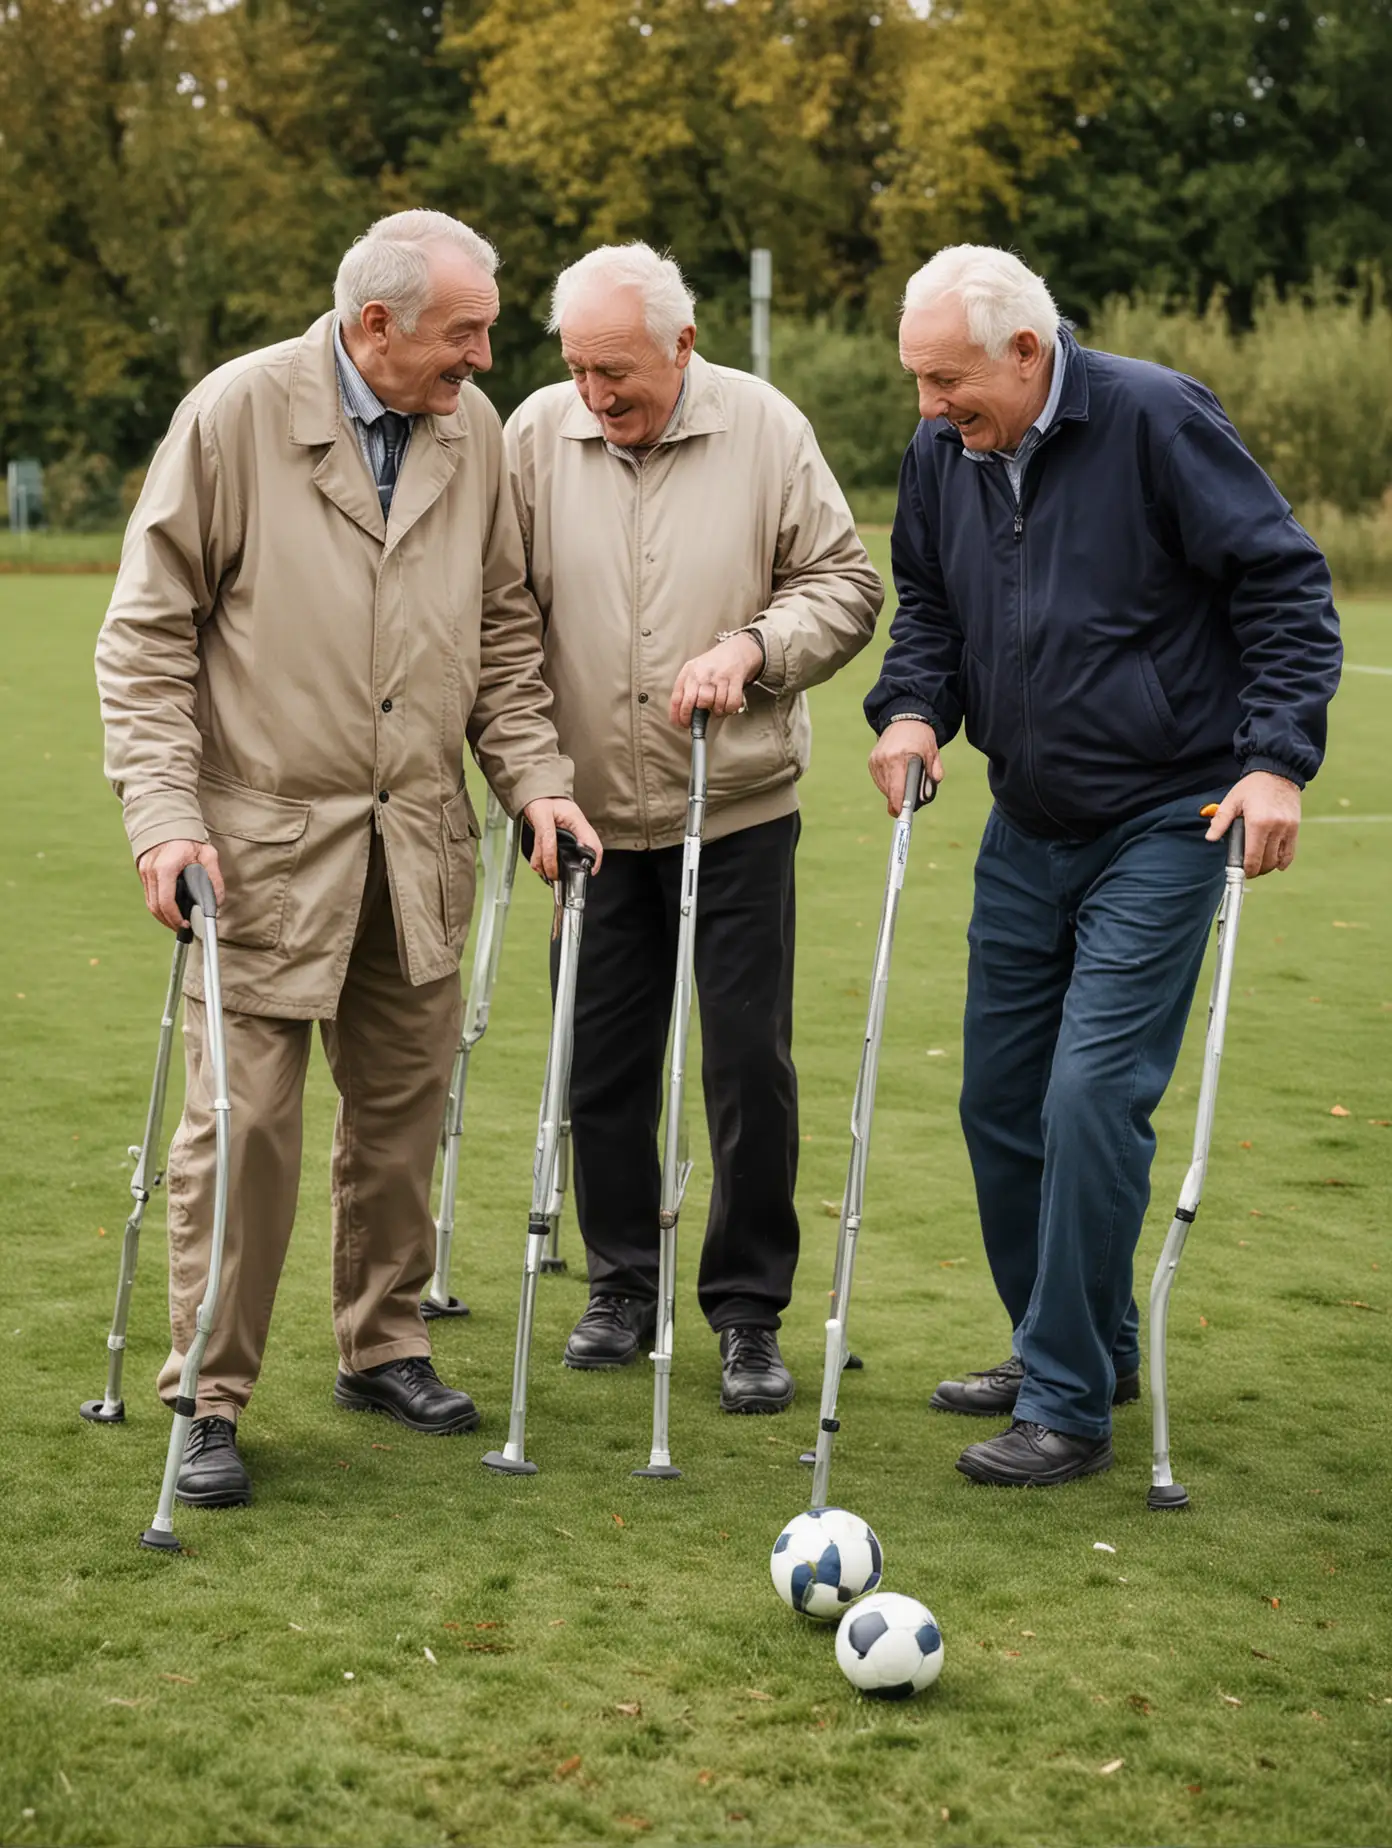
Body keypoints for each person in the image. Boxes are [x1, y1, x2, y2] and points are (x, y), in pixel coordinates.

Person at [95, 210, 600, 1511]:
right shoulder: (234, 416)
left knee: (401, 1121)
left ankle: (384, 1342)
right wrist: (163, 817)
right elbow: (147, 642)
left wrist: (537, 784)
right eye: (465, 333)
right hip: (261, 843)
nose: (487, 359)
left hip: (416, 837)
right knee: (245, 1125)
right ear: (375, 326)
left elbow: (499, 631)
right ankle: (209, 1395)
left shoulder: (469, 433)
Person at [865, 244, 1341, 1486]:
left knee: (1090, 1099)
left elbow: (1284, 585)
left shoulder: (1154, 418)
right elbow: (927, 602)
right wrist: (913, 709)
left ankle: (1070, 1407)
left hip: (1168, 816)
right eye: (918, 382)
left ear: (1028, 352)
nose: (928, 410)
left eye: (948, 381)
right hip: (1028, 821)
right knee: (999, 1104)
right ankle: (1072, 1341)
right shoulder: (944, 457)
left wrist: (1276, 761)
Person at [505, 242, 882, 1411]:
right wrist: (534, 781)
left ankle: (749, 1309)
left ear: (684, 342)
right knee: (602, 1066)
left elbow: (843, 583)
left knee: (746, 1068)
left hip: (739, 808)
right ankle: (623, 1280)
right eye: (577, 370)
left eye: (616, 370)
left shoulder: (767, 429)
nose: (595, 396)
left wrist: (755, 648)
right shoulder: (534, 437)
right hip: (588, 818)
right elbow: (500, 622)